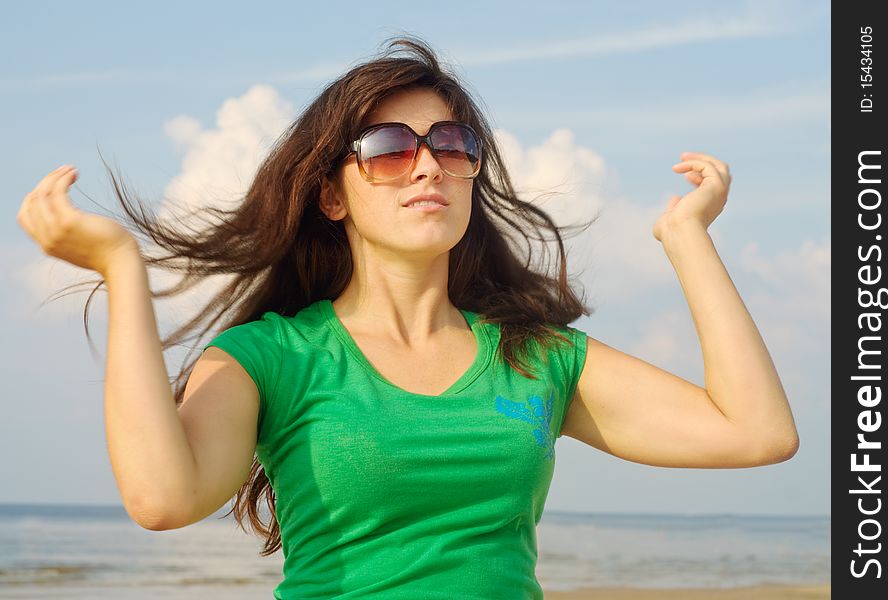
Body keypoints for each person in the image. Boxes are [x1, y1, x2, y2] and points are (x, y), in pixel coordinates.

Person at [15, 37, 799, 599]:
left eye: (451, 143)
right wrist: (123, 272)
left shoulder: (537, 357)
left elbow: (756, 434)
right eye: (388, 146)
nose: (427, 163)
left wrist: (687, 240)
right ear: (332, 193)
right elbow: (163, 498)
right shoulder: (270, 356)